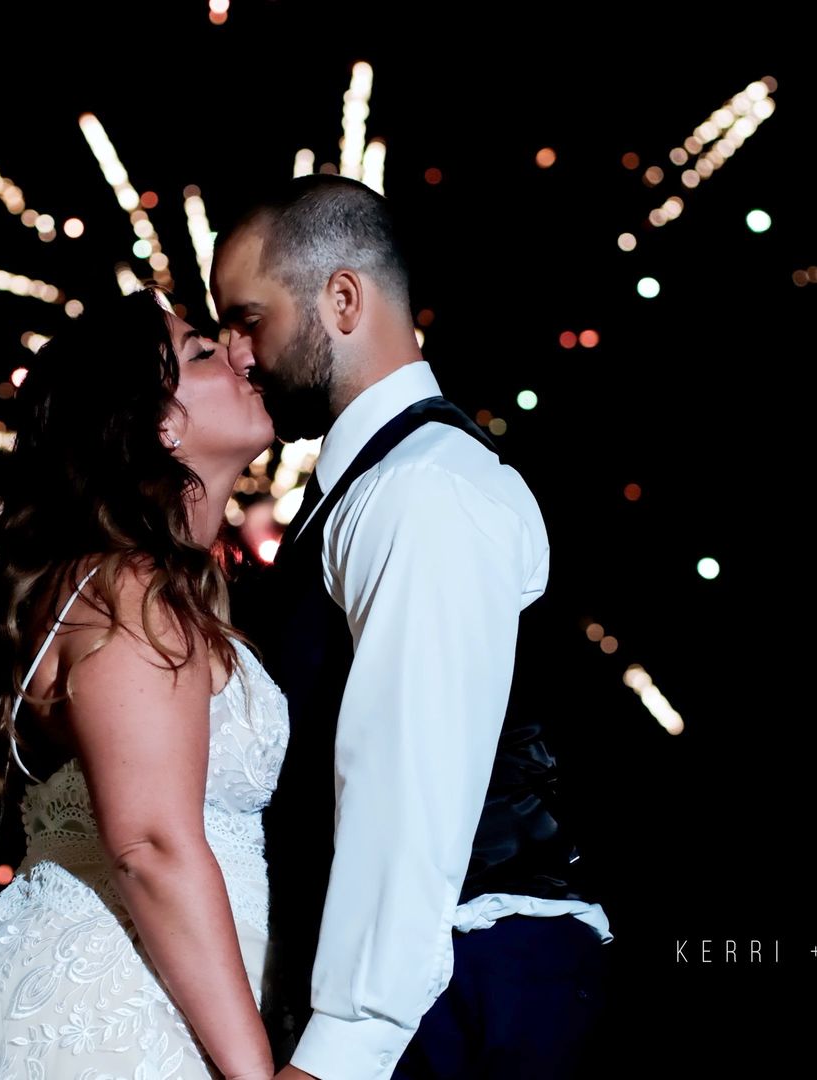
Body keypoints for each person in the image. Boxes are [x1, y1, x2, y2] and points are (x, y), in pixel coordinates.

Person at [210, 175, 613, 1080]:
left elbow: (407, 779)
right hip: (435, 987)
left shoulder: (423, 488)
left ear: (341, 299)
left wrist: (341, 1048)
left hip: (467, 985)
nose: (236, 354)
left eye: (247, 318)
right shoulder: (366, 489)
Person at [0, 288, 290, 1080]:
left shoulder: (131, 586)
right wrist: (255, 1073)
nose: (242, 356)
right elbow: (151, 842)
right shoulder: (128, 586)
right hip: (114, 1018)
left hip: (144, 1002)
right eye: (203, 353)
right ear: (160, 424)